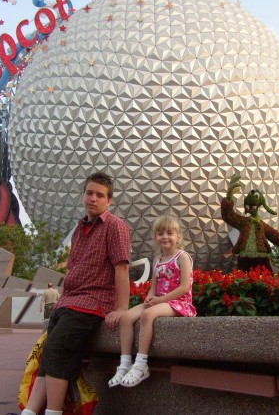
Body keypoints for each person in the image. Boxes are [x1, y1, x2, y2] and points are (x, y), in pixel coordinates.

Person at [21, 172, 131, 415]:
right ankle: (29, 412)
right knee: (49, 355)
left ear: (109, 201)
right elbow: (74, 267)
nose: (93, 198)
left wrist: (121, 308)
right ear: (83, 195)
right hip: (68, 302)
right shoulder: (80, 228)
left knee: (57, 350)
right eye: (89, 193)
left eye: (100, 195)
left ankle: (53, 412)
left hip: (91, 303)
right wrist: (62, 296)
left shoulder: (115, 227)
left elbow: (121, 268)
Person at [108, 215, 196, 388]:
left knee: (147, 315)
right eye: (160, 233)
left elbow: (185, 287)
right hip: (159, 301)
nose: (165, 237)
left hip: (179, 303)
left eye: (170, 233)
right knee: (126, 317)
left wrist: (159, 301)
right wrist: (149, 298)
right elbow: (154, 287)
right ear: (155, 237)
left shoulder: (182, 257)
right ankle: (125, 363)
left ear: (178, 237)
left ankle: (141, 364)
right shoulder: (157, 261)